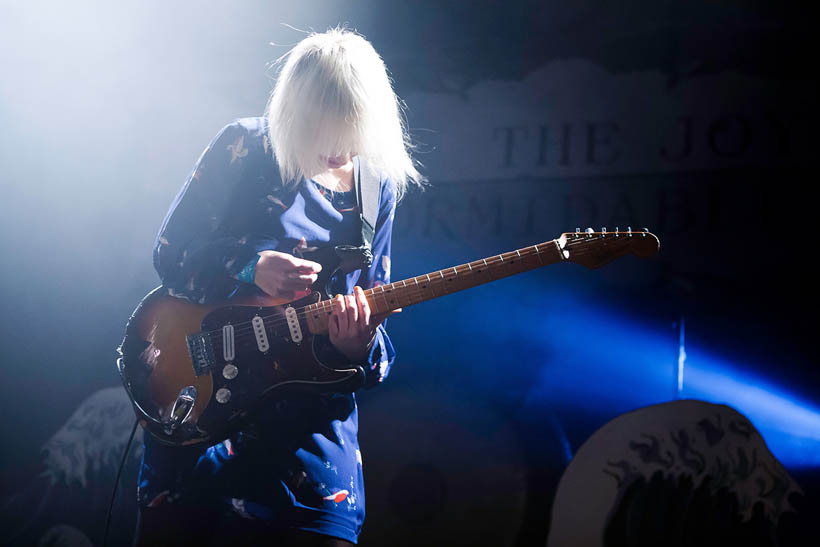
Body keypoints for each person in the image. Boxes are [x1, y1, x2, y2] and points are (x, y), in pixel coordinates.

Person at [134, 28, 422, 546]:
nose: (339, 148)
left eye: (351, 128)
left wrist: (356, 347)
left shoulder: (377, 187)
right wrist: (249, 266)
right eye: (325, 127)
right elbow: (170, 254)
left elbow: (374, 327)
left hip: (306, 444)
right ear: (298, 112)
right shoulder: (245, 147)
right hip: (200, 416)